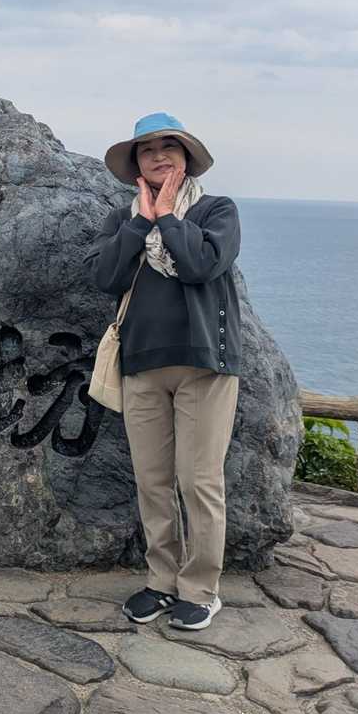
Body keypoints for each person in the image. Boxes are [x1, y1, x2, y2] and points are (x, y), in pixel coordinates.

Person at [83, 112, 241, 630]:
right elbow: (105, 275)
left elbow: (201, 265)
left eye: (168, 147)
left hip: (204, 365)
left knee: (199, 482)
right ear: (136, 165)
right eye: (147, 150)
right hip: (142, 365)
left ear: (186, 157)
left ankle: (201, 589)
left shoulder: (217, 211)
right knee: (152, 482)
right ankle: (161, 581)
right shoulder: (122, 219)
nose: (158, 156)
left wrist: (169, 217)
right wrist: (141, 224)